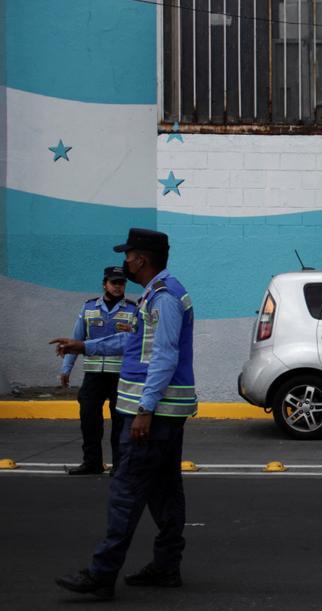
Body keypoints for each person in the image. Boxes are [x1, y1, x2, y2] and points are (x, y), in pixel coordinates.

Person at [50, 228, 196, 599]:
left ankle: (102, 574)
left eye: (128, 255)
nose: (125, 262)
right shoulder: (157, 295)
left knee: (126, 492)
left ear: (141, 259)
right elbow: (130, 341)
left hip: (153, 413)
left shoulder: (162, 298)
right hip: (163, 413)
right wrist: (84, 345)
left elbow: (164, 355)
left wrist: (145, 409)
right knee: (164, 491)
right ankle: (166, 567)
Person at [60, 266, 137, 475]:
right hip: (93, 376)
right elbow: (77, 339)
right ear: (105, 284)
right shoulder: (89, 308)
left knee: (120, 423)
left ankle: (120, 465)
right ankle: (92, 462)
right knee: (89, 420)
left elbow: (135, 343)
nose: (118, 286)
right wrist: (66, 368)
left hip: (120, 376)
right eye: (114, 282)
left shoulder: (132, 310)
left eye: (121, 283)